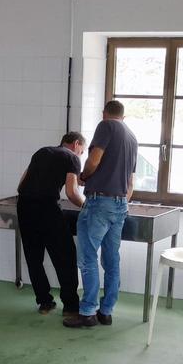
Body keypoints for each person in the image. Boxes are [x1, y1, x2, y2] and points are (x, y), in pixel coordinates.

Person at [65, 100, 136, 329]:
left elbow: (94, 159)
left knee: (87, 258)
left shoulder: (106, 126)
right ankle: (106, 312)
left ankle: (87, 313)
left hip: (99, 202)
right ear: (123, 116)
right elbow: (130, 182)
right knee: (111, 260)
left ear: (105, 113)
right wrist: (120, 200)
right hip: (120, 204)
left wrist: (83, 176)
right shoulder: (132, 137)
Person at [16, 131, 85, 315]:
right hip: (46, 207)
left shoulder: (41, 151)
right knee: (65, 257)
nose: (81, 155)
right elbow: (72, 192)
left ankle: (45, 302)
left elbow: (21, 184)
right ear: (76, 144)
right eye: (82, 151)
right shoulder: (72, 157)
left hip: (24, 205)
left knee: (34, 257)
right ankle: (70, 307)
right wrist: (87, 206)